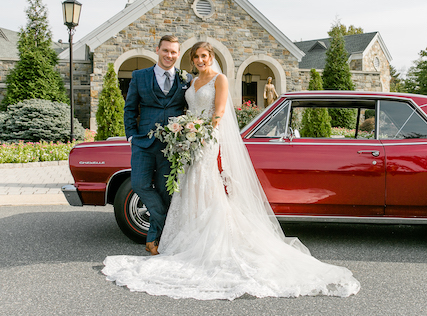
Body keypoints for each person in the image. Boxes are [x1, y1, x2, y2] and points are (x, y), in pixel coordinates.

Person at [103, 42, 360, 300]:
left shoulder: (219, 78)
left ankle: (202, 239)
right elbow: (173, 108)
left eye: (204, 56)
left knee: (202, 186)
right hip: (180, 142)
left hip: (204, 141)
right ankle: (183, 234)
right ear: (188, 59)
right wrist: (168, 133)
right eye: (196, 57)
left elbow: (220, 112)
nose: (200, 60)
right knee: (182, 187)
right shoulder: (189, 81)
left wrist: (200, 135)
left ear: (211, 57)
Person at [123, 35, 191, 256]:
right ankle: (167, 220)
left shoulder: (185, 79)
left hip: (170, 147)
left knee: (165, 191)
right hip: (143, 142)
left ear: (178, 54)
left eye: (173, 52)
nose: (169, 55)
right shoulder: (140, 76)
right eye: (165, 51)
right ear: (158, 50)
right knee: (140, 184)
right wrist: (131, 136)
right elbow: (130, 108)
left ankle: (154, 240)